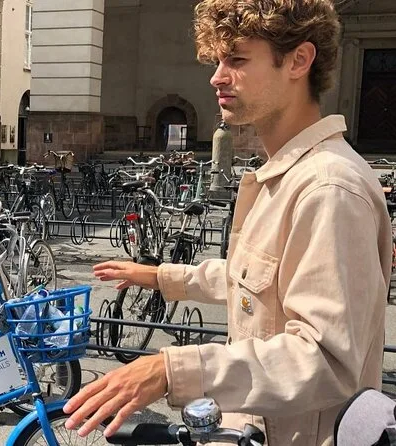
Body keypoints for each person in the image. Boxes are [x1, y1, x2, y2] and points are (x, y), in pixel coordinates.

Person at [63, 1, 392, 445]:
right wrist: (161, 277)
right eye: (217, 60)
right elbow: (258, 283)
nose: (217, 77)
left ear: (299, 60)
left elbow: (326, 359)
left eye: (236, 59)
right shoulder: (288, 173)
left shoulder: (328, 187)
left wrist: (171, 370)